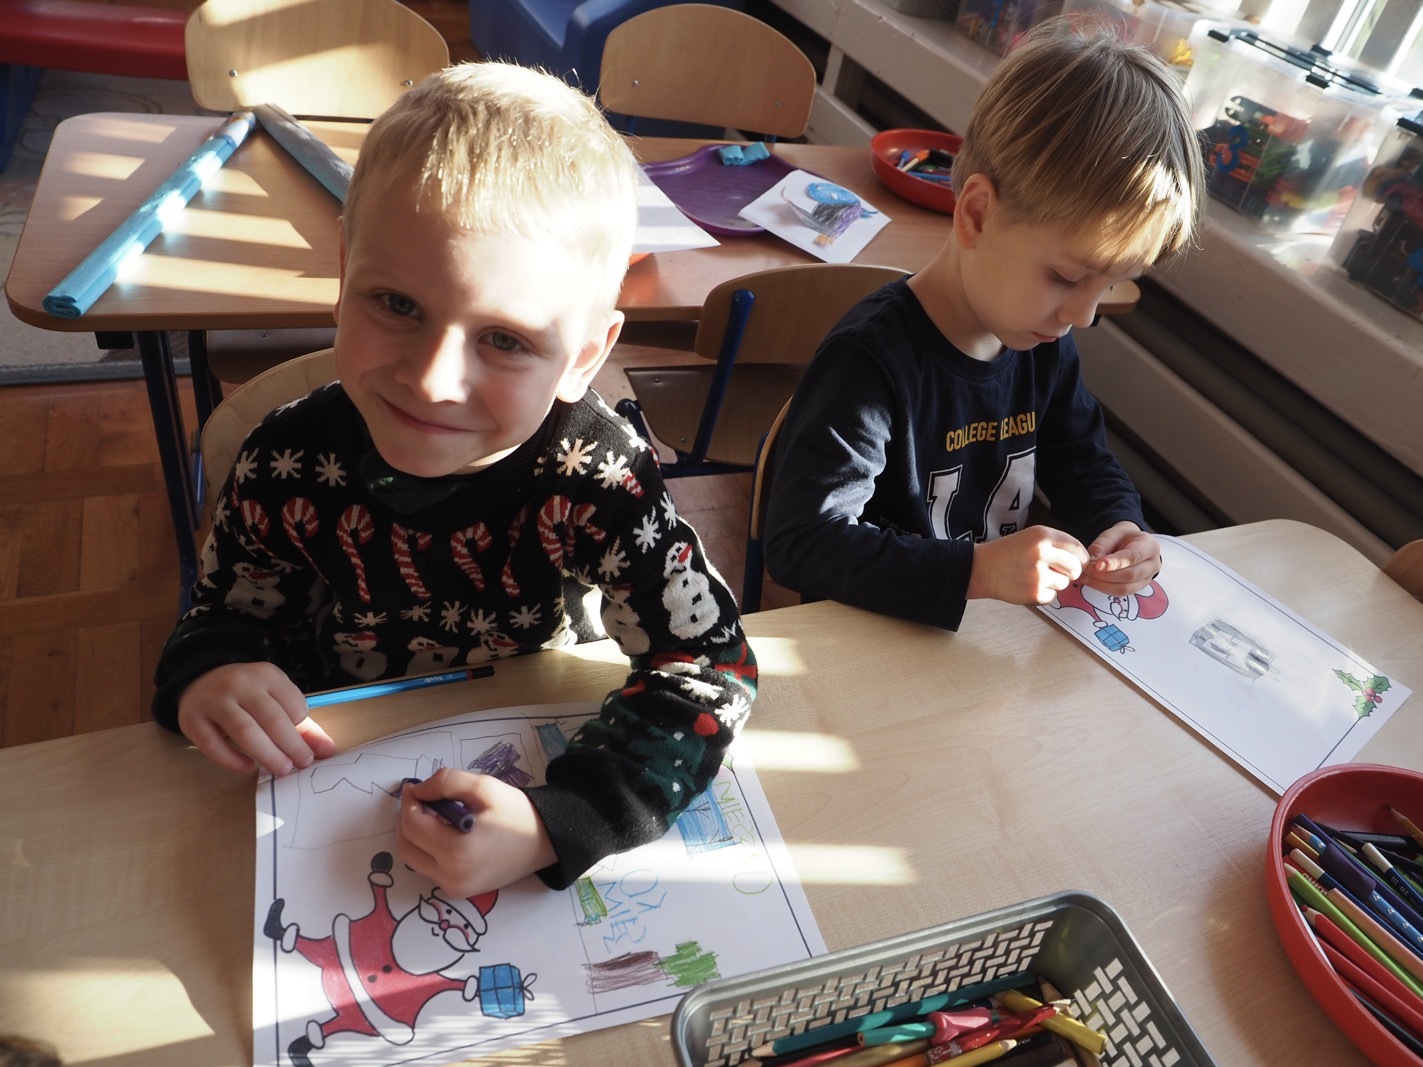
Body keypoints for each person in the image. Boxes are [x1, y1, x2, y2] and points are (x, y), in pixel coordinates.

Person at [152, 62, 756, 896]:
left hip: (528, 716)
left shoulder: (601, 478)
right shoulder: (282, 461)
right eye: (396, 304)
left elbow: (708, 667)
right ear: (344, 272)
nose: (433, 381)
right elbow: (222, 618)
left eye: (505, 339)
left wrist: (561, 820)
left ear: (583, 357)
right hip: (335, 764)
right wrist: (209, 672)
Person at [762, 18, 1203, 630]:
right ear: (975, 215)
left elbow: (1082, 460)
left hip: (978, 639)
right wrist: (976, 571)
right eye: (1067, 277)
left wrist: (1119, 524)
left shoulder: (1042, 344)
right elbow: (802, 543)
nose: (1083, 315)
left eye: (1109, 286)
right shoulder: (869, 363)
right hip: (866, 644)